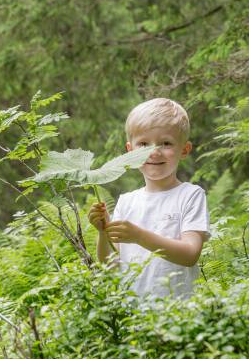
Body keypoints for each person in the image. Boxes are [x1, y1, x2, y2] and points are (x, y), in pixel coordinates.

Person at [87, 98, 210, 298]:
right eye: (143, 144)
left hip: (180, 315)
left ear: (184, 150)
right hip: (133, 317)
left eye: (166, 143)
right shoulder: (126, 202)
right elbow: (109, 267)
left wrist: (139, 236)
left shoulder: (190, 195)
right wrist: (103, 233)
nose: (154, 152)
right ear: (130, 151)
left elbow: (190, 254)